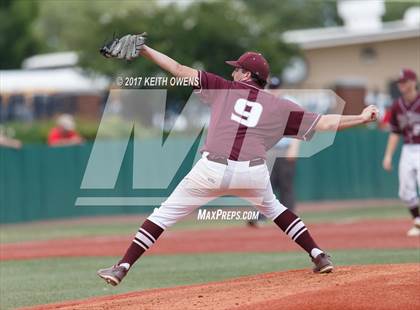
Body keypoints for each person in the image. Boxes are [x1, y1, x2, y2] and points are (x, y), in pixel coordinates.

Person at [97, 33, 378, 286]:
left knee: (162, 216)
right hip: (252, 173)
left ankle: (122, 267)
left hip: (211, 169)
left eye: (238, 69)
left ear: (247, 74)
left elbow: (179, 70)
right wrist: (362, 117)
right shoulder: (280, 106)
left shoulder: (222, 88)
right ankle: (318, 255)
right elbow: (325, 123)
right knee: (276, 210)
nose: (233, 73)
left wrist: (145, 50)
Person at [247, 76, 300, 227]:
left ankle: (290, 220)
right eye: (272, 88)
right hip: (268, 150)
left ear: (282, 88)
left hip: (285, 148)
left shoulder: (290, 103)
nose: (274, 92)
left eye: (276, 88)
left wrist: (294, 147)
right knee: (263, 184)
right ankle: (259, 217)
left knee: (286, 185)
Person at [382, 68, 420, 237]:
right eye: (400, 82)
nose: (402, 85)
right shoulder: (397, 105)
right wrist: (388, 155)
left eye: (404, 82)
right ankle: (417, 221)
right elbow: (395, 131)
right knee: (405, 190)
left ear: (413, 82)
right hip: (408, 148)